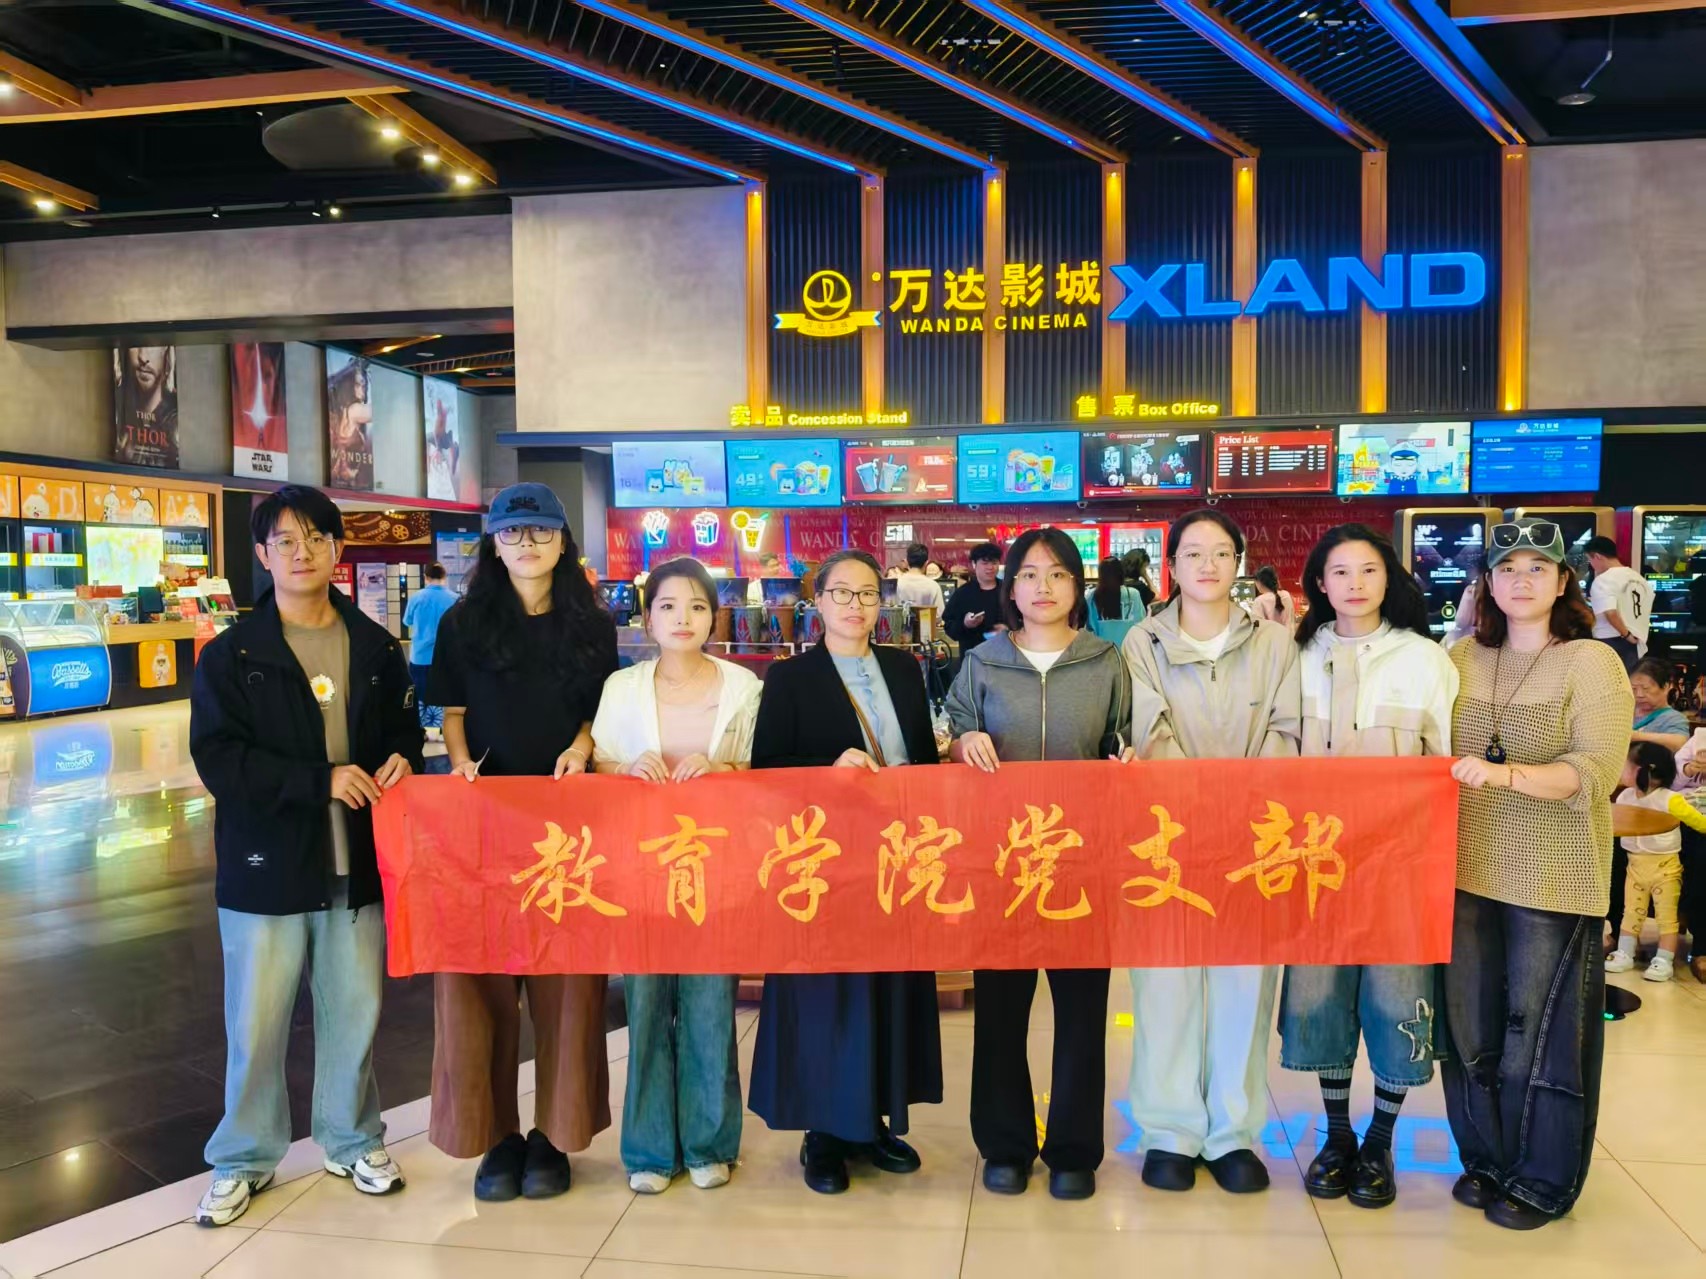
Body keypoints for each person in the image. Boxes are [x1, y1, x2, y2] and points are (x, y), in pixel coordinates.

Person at [188, 485, 422, 1227]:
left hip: (356, 865)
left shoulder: (376, 647)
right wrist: (317, 781)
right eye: (285, 541)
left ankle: (351, 1138)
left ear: (337, 550)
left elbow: (403, 733)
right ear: (262, 554)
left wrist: (403, 758)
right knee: (256, 1023)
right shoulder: (232, 655)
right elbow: (219, 759)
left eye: (316, 538)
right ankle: (243, 1157)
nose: (302, 552)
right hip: (266, 867)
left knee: (355, 1011)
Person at [427, 482, 619, 1202]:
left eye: (541, 531)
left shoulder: (592, 624)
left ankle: (554, 1136)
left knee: (568, 980)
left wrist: (581, 746)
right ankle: (496, 1136)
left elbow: (601, 711)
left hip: (571, 825)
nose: (527, 543)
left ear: (563, 542)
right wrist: (458, 762)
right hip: (483, 823)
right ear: (494, 543)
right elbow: (452, 710)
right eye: (513, 532)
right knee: (480, 977)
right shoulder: (464, 621)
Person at [1444, 517, 1632, 1230]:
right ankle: (1486, 1159)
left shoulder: (1591, 662)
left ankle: (1544, 1178)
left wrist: (1504, 774)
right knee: (1470, 1028)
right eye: (1506, 569)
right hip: (1462, 868)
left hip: (1552, 875)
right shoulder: (1460, 657)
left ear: (1562, 583)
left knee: (1541, 1031)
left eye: (1537, 568)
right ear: (1486, 584)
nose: (1521, 580)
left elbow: (1594, 770)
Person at [748, 549, 943, 1195]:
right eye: (842, 593)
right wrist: (827, 769)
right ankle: (824, 1132)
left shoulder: (903, 668)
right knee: (827, 994)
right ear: (818, 602)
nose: (855, 605)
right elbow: (767, 769)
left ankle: (874, 1120)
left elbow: (921, 757)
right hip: (824, 862)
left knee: (888, 986)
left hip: (894, 857)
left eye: (867, 594)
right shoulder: (790, 678)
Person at [947, 529, 1133, 1202]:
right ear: (1011, 586)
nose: (1043, 587)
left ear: (1077, 585)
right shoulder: (983, 662)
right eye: (1029, 574)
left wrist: (1127, 755)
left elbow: (1122, 735)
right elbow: (953, 735)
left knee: (1082, 1011)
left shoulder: (1106, 661)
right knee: (1001, 1010)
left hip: (1083, 863)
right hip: (1003, 865)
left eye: (1058, 574)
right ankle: (1004, 1143)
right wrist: (964, 741)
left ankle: (1074, 1149)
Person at [1122, 509, 1301, 1195]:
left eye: (1220, 552)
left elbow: (1287, 729)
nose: (1206, 565)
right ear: (1170, 566)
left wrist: (1246, 810)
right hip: (1168, 838)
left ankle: (1232, 1133)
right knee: (1167, 985)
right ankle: (1169, 1131)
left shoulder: (1275, 644)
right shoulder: (1143, 642)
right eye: (1192, 553)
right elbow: (1148, 727)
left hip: (1255, 839)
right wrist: (1196, 811)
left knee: (1243, 986)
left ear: (1238, 561)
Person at [1280, 524, 1458, 1209]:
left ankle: (1379, 1139)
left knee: (1395, 996)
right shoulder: (1295, 656)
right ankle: (1336, 1135)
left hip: (1399, 861)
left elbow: (1445, 759)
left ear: (1390, 579)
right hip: (1313, 861)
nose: (1354, 584)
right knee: (1320, 997)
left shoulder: (1425, 659)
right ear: (1319, 583)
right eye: (1339, 571)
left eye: (1368, 570)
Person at [589, 557, 761, 1195]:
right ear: (647, 618)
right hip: (642, 868)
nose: (682, 618)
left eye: (696, 605)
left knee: (710, 1005)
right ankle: (649, 1149)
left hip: (717, 867)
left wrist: (723, 771)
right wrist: (625, 769)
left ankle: (711, 1143)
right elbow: (599, 764)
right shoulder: (622, 687)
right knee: (647, 1005)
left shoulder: (743, 686)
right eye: (667, 606)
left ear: (713, 616)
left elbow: (764, 770)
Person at [1610, 741, 1706, 983]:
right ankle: (1625, 952)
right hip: (1635, 866)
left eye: (1625, 765)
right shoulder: (1625, 797)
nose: (1620, 769)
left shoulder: (1669, 800)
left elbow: (1697, 821)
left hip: (1665, 868)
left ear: (1644, 770)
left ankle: (1664, 959)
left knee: (1666, 916)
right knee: (1631, 911)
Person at [1585, 535, 1653, 672]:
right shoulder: (1639, 578)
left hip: (1610, 642)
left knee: (1609, 682)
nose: (1591, 565)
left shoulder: (1604, 580)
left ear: (1597, 556)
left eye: (1589, 560)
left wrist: (1626, 634)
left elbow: (1610, 613)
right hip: (1636, 642)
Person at [402, 563, 457, 731]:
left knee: (419, 695)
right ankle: (442, 730)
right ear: (444, 577)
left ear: (425, 577)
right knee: (445, 694)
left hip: (420, 657)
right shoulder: (455, 599)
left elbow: (407, 621)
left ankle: (421, 730)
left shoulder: (417, 598)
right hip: (446, 657)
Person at [942, 541, 1003, 657]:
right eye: (985, 563)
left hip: (1004, 658)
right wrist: (965, 624)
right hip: (972, 657)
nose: (990, 567)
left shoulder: (1008, 592)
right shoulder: (963, 593)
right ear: (974, 564)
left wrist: (1008, 630)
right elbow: (949, 627)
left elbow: (1022, 622)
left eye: (994, 563)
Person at [1630, 657, 1691, 751]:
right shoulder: (1624, 711)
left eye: (1646, 688)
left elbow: (1680, 743)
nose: (1639, 695)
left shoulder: (1673, 718)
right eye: (1634, 688)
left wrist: (1635, 736)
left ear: (1666, 687)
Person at [1086, 556, 1145, 648]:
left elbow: (1088, 629)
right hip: (1128, 652)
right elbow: (1141, 624)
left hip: (1100, 652)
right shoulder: (1133, 595)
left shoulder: (1091, 597)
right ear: (1121, 573)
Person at [894, 541, 946, 614]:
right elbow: (939, 615)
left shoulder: (897, 584)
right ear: (926, 563)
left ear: (907, 561)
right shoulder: (934, 586)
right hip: (926, 621)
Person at [1247, 566, 1296, 630]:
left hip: (1271, 636)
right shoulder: (1286, 595)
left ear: (1259, 583)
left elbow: (1257, 627)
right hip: (1289, 635)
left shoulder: (1259, 601)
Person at [1121, 547, 1158, 612]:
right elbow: (1157, 599)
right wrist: (1146, 576)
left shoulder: (1116, 581)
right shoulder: (1139, 586)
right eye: (1144, 567)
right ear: (1139, 567)